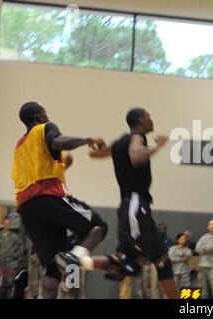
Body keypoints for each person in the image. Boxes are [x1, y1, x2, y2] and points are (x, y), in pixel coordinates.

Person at [11, 101, 109, 299]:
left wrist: (63, 167)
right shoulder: (46, 127)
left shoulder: (20, 146)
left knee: (52, 268)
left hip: (27, 208)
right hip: (48, 198)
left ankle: (69, 262)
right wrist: (86, 139)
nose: (47, 115)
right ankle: (73, 258)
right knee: (97, 226)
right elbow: (57, 141)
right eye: (45, 112)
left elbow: (36, 174)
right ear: (39, 115)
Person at [88, 107, 179, 299]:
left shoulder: (122, 140)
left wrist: (98, 149)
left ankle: (78, 261)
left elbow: (96, 154)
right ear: (140, 120)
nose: (151, 120)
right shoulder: (137, 138)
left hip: (132, 205)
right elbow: (137, 157)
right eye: (149, 116)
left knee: (156, 262)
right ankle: (77, 261)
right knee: (134, 264)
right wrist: (158, 146)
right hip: (135, 205)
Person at [195, 218, 213, 299]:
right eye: (209, 224)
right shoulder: (204, 236)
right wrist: (206, 250)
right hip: (202, 266)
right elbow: (197, 248)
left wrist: (204, 249)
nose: (211, 226)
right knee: (202, 289)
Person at [0, 217, 24, 298]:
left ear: (10, 224)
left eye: (8, 223)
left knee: (9, 287)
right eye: (5, 223)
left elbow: (21, 247)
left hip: (10, 265)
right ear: (3, 224)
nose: (6, 225)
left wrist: (15, 257)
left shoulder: (14, 236)